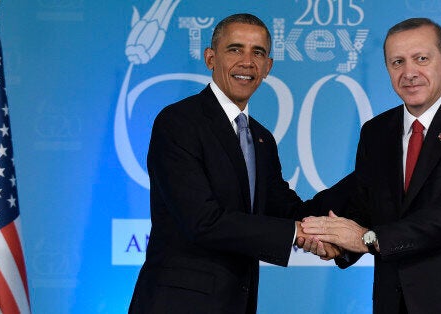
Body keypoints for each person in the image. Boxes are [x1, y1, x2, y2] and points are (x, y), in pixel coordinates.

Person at [301, 18, 441, 313]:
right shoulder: (376, 132)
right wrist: (332, 242)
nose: (409, 73)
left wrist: (369, 239)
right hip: (397, 302)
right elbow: (363, 206)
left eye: (421, 59)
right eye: (397, 62)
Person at [128, 13, 338, 314]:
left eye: (258, 53)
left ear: (268, 67)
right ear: (210, 58)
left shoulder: (261, 138)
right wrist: (296, 233)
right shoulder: (178, 122)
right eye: (235, 49)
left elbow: (287, 211)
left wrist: (360, 188)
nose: (247, 62)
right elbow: (203, 221)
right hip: (177, 304)